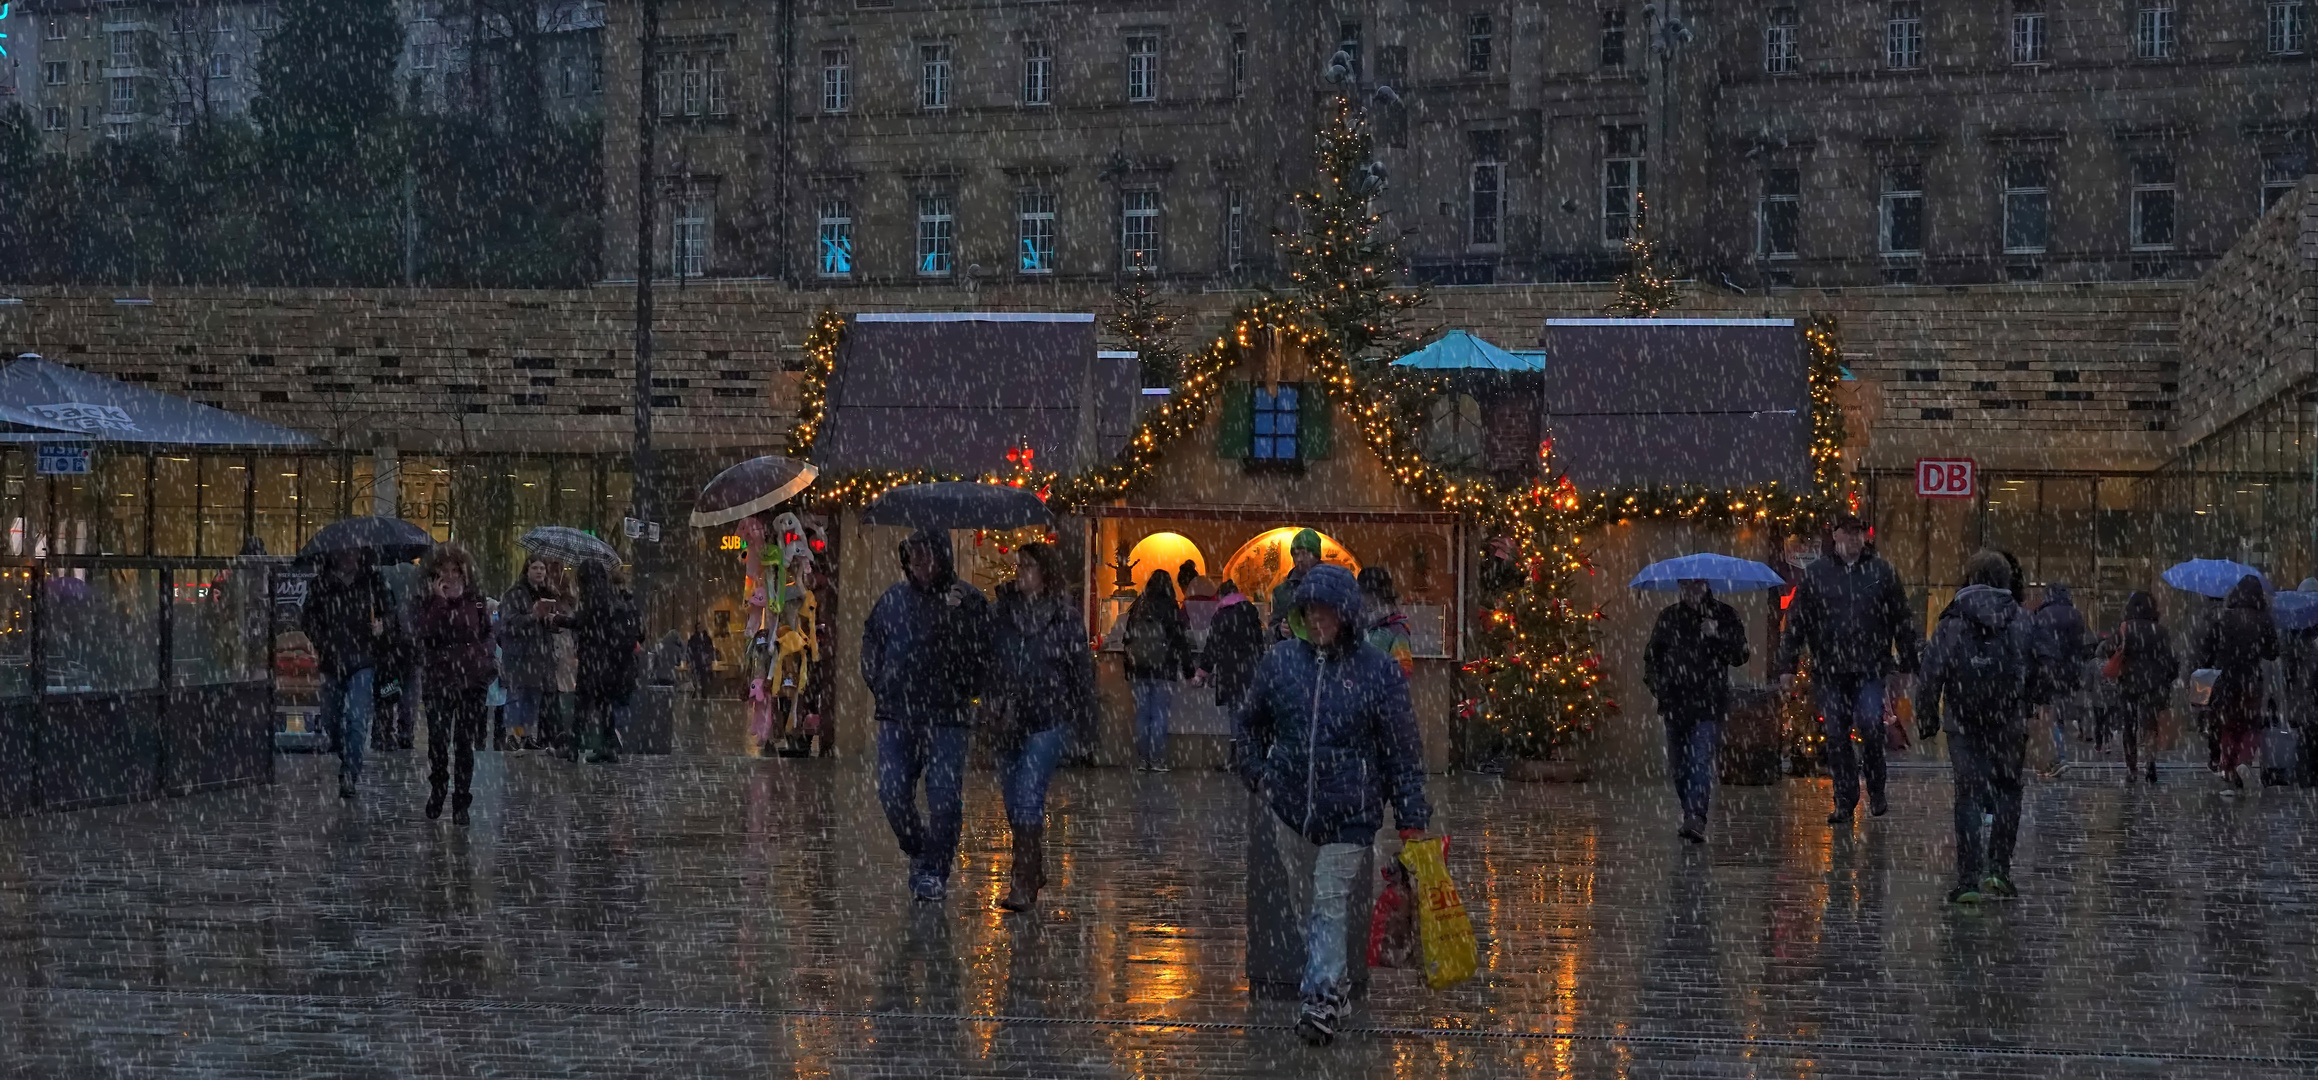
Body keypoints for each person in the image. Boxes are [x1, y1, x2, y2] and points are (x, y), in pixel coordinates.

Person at [1233, 564, 1431, 1048]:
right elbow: (1249, 724)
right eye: (1309, 610)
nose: (1317, 619)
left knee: (1328, 901)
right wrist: (1259, 774)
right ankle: (1334, 985)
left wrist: (1411, 819)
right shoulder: (1280, 663)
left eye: (1326, 610)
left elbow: (1401, 751)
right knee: (1307, 904)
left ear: (1345, 614)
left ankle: (1319, 998)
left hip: (1351, 812)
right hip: (1290, 808)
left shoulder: (1378, 672)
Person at [861, 527, 991, 902]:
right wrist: (879, 681)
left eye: (926, 555)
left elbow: (983, 652)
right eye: (913, 555)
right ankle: (920, 850)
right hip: (896, 713)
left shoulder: (966, 600)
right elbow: (872, 641)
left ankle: (935, 870)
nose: (919, 564)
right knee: (892, 793)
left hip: (947, 716)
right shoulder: (893, 599)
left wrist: (957, 621)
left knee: (945, 798)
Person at [1915, 551, 2047, 904]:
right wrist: (2029, 703)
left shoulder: (1953, 621)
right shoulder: (2022, 620)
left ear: (1971, 578)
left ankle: (1969, 879)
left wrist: (1927, 719)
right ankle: (1999, 871)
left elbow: (1931, 675)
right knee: (2007, 792)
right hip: (2008, 721)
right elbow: (2039, 671)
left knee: (1968, 797)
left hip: (1964, 723)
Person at [1775, 513, 1920, 825]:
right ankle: (1845, 798)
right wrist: (1786, 665)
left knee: (1870, 724)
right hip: (1830, 669)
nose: (1853, 539)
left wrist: (1908, 660)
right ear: (1836, 535)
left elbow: (1901, 619)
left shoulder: (1881, 572)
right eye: (1847, 533)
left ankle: (1876, 786)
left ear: (1864, 537)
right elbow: (1797, 622)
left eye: (1858, 533)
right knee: (1837, 734)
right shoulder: (1818, 575)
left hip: (1869, 666)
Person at [989, 542, 1093, 913]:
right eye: (1019, 566)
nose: (1021, 573)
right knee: (1013, 798)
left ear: (1044, 572)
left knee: (1029, 793)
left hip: (1049, 716)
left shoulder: (1063, 616)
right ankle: (1033, 867)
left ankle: (1022, 881)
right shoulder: (1002, 611)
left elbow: (1080, 669)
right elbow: (986, 653)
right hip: (1008, 717)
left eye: (1029, 566)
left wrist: (1084, 720)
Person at [1642, 578, 1750, 844]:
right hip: (1675, 704)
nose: (1691, 590)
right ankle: (1690, 812)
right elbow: (1652, 657)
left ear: (1706, 585)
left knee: (1700, 760)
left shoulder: (1724, 615)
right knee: (1679, 767)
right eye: (1686, 585)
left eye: (1696, 584)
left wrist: (1717, 634)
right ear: (1680, 586)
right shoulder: (1669, 617)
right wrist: (1659, 687)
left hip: (1709, 703)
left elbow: (1740, 654)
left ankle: (1696, 818)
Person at [302, 549, 398, 799]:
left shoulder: (372, 581)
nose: (348, 557)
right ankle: (347, 755)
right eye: (343, 552)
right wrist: (323, 642)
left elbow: (390, 613)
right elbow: (308, 618)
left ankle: (350, 773)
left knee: (357, 719)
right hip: (331, 661)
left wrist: (382, 626)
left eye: (353, 552)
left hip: (362, 660)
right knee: (331, 719)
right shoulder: (322, 584)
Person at [414, 543, 495, 824]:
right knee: (438, 740)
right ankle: (438, 787)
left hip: (471, 680)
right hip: (439, 680)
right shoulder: (426, 599)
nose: (450, 576)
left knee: (464, 743)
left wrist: (484, 662)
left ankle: (462, 800)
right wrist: (439, 602)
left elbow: (486, 634)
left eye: (455, 571)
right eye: (444, 571)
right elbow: (424, 632)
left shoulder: (477, 600)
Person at [2195, 574, 2278, 796]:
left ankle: (2229, 771)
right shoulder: (2264, 619)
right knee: (2250, 725)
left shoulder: (2223, 618)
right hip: (2251, 680)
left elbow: (2208, 650)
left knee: (2228, 726)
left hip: (2225, 680)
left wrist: (2206, 668)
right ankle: (2244, 762)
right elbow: (2273, 652)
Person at [2098, 590, 2179, 783]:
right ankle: (2150, 761)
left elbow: (2108, 649)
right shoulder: (2160, 631)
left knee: (2129, 726)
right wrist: (2168, 678)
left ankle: (2131, 768)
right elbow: (2170, 659)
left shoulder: (2126, 628)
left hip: (2129, 683)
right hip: (2154, 684)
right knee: (2150, 725)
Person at [572, 561, 643, 764]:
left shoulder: (594, 599)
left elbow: (582, 622)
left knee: (584, 705)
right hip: (612, 662)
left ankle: (574, 747)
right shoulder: (616, 599)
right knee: (604, 706)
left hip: (594, 660)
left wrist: (559, 620)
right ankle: (608, 745)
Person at [498, 557, 572, 751]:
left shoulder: (547, 593)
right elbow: (508, 624)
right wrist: (532, 617)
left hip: (540, 655)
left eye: (542, 568)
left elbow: (547, 627)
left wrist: (551, 619)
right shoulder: (515, 594)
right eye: (535, 568)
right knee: (517, 696)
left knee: (533, 697)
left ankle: (527, 735)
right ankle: (513, 735)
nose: (540, 572)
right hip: (520, 654)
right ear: (527, 570)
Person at [1123, 569, 1193, 771]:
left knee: (1142, 715)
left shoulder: (1139, 606)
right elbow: (1180, 640)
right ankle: (1157, 760)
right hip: (1164, 669)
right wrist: (1188, 670)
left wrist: (1129, 667)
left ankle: (1142, 760)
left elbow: (1127, 639)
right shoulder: (1170, 607)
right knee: (1160, 713)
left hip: (1138, 670)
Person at [2031, 583, 2092, 779]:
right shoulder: (2075, 615)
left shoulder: (2043, 615)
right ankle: (2057, 754)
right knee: (2060, 713)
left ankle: (2058, 756)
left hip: (2048, 671)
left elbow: (2038, 645)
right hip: (2071, 673)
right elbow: (2082, 645)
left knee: (2048, 714)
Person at [1197, 578, 1269, 711]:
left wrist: (1204, 669)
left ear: (1221, 596)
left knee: (1235, 712)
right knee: (1250, 712)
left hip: (1230, 672)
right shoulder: (1250, 612)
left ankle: (1238, 732)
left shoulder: (1221, 614)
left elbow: (1213, 643)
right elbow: (1259, 642)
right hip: (1252, 670)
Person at [1357, 567, 1416, 678]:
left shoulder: (1396, 629)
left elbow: (1404, 671)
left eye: (1364, 593)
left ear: (1377, 595)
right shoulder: (1359, 623)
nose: (1362, 597)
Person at [1268, 528, 1326, 640]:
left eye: (1304, 553)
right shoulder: (1282, 591)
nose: (1299, 559)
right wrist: (1280, 630)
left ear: (1315, 555)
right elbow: (1270, 631)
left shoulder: (1331, 584)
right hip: (1293, 652)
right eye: (1295, 554)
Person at [687, 622, 717, 698]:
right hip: (697, 661)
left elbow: (711, 649)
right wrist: (689, 660)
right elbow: (689, 649)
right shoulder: (693, 638)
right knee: (695, 677)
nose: (700, 629)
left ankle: (703, 692)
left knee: (704, 678)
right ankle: (695, 691)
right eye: (699, 627)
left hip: (704, 661)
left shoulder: (707, 638)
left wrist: (710, 659)